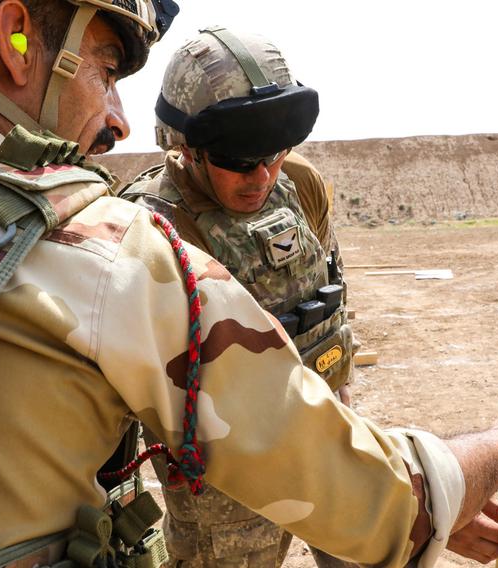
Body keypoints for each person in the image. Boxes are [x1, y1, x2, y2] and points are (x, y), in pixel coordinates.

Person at [0, 2, 498, 568]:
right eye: (105, 68)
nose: (117, 118)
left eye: (276, 156)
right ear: (17, 34)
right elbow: (374, 500)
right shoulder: (104, 248)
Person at [120, 28, 357, 568]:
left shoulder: (300, 183)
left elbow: (331, 291)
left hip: (325, 435)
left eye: (273, 155)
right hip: (228, 484)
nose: (261, 177)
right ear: (184, 150)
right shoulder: (147, 227)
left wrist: (342, 403)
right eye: (238, 161)